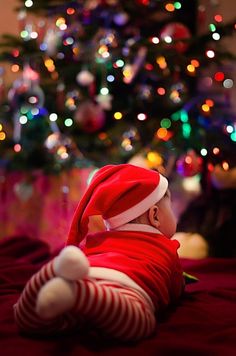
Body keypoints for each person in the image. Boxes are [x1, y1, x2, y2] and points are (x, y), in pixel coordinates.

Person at [14, 164, 184, 342]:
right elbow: (176, 290)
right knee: (141, 323)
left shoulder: (98, 240)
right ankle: (80, 294)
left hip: (89, 274)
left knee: (38, 322)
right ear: (155, 216)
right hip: (128, 289)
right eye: (170, 207)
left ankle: (51, 275)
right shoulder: (166, 247)